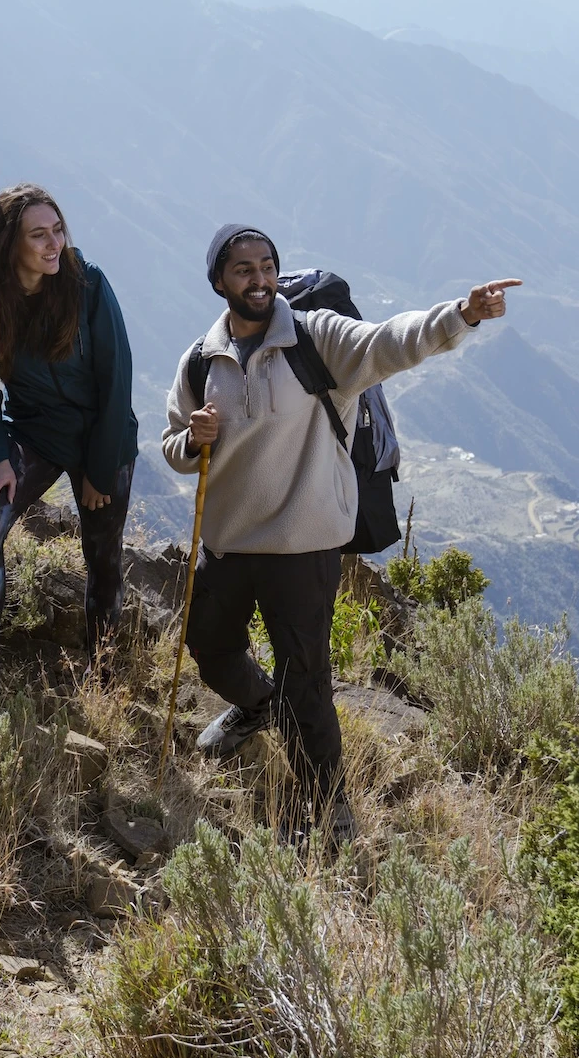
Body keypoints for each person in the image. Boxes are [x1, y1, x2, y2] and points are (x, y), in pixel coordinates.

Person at [161, 223, 519, 843]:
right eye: (244, 269)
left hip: (303, 546)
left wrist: (461, 315)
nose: (260, 279)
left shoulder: (317, 338)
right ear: (219, 281)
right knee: (209, 645)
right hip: (228, 542)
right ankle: (258, 705)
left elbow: (390, 341)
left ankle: (328, 808)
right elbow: (173, 446)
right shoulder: (201, 359)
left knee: (306, 681)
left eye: (267, 266)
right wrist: (193, 439)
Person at [0, 184, 138, 700]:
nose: (55, 243)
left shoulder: (87, 284)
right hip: (33, 433)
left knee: (102, 554)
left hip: (102, 435)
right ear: (8, 243)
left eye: (57, 230)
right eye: (39, 235)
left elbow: (116, 380)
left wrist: (99, 469)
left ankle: (101, 675)